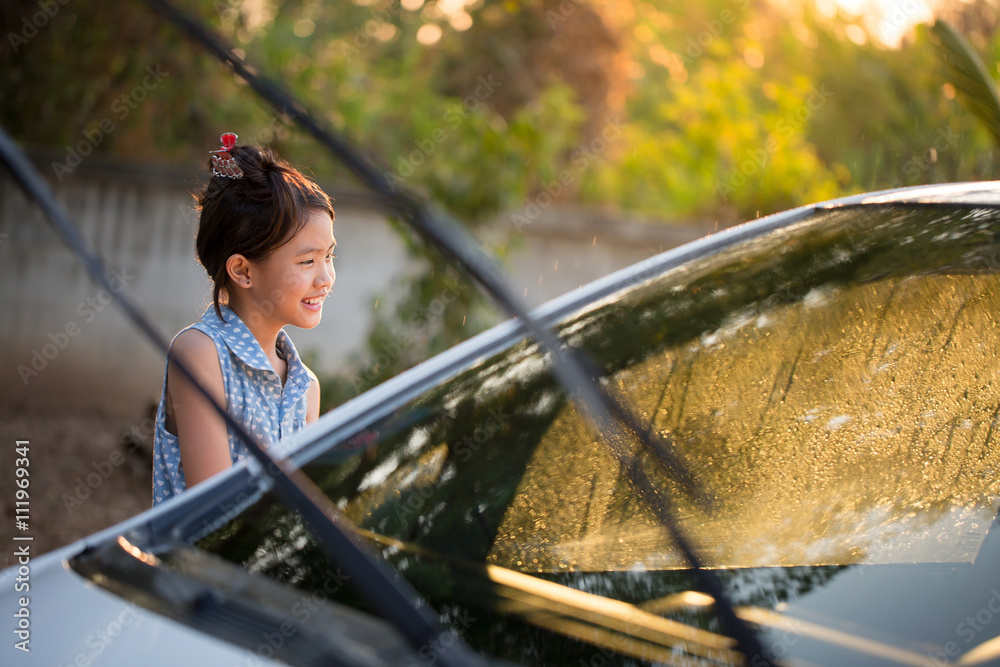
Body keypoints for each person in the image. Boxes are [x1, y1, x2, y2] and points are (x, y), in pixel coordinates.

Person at [152, 133, 336, 505]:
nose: (325, 278)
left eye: (329, 257)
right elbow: (217, 512)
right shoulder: (200, 354)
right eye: (307, 261)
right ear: (242, 270)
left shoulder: (306, 387)